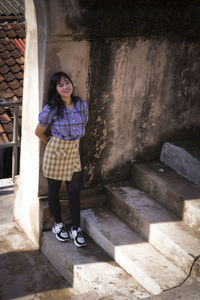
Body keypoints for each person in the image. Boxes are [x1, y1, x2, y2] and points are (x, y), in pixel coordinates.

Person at [35, 72, 88, 247]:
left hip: (73, 151)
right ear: (56, 89)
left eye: (67, 83)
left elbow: (83, 125)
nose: (65, 87)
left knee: (74, 190)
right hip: (56, 151)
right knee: (54, 189)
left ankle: (75, 228)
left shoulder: (81, 105)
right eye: (60, 85)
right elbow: (39, 132)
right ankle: (58, 225)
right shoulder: (51, 109)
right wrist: (51, 142)